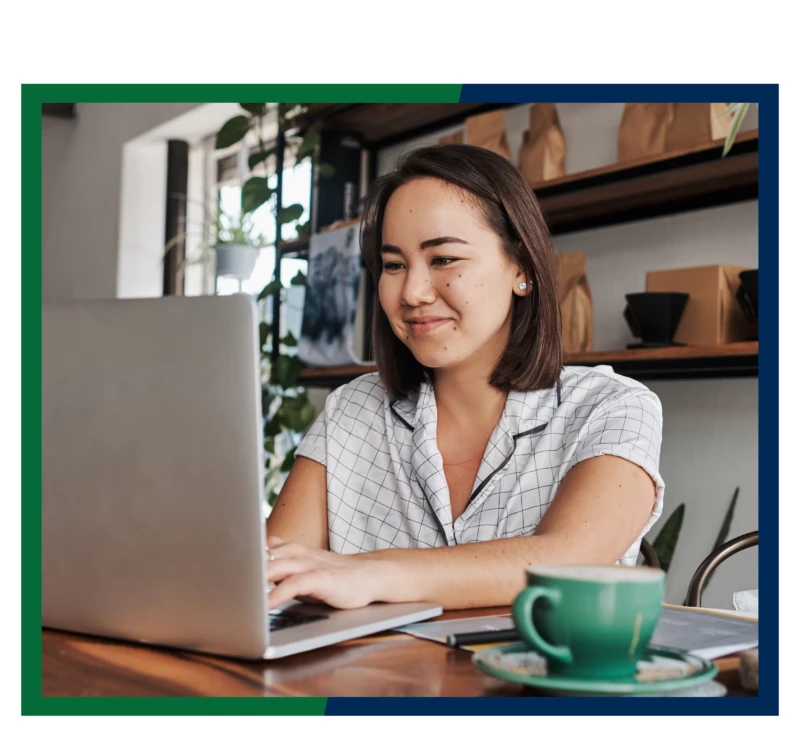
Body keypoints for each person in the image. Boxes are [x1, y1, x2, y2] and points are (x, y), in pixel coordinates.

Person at [266, 143, 665, 611]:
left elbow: (569, 562)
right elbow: (274, 573)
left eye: (444, 260)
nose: (412, 292)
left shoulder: (612, 407)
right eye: (394, 265)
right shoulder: (352, 409)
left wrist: (372, 573)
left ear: (521, 268)